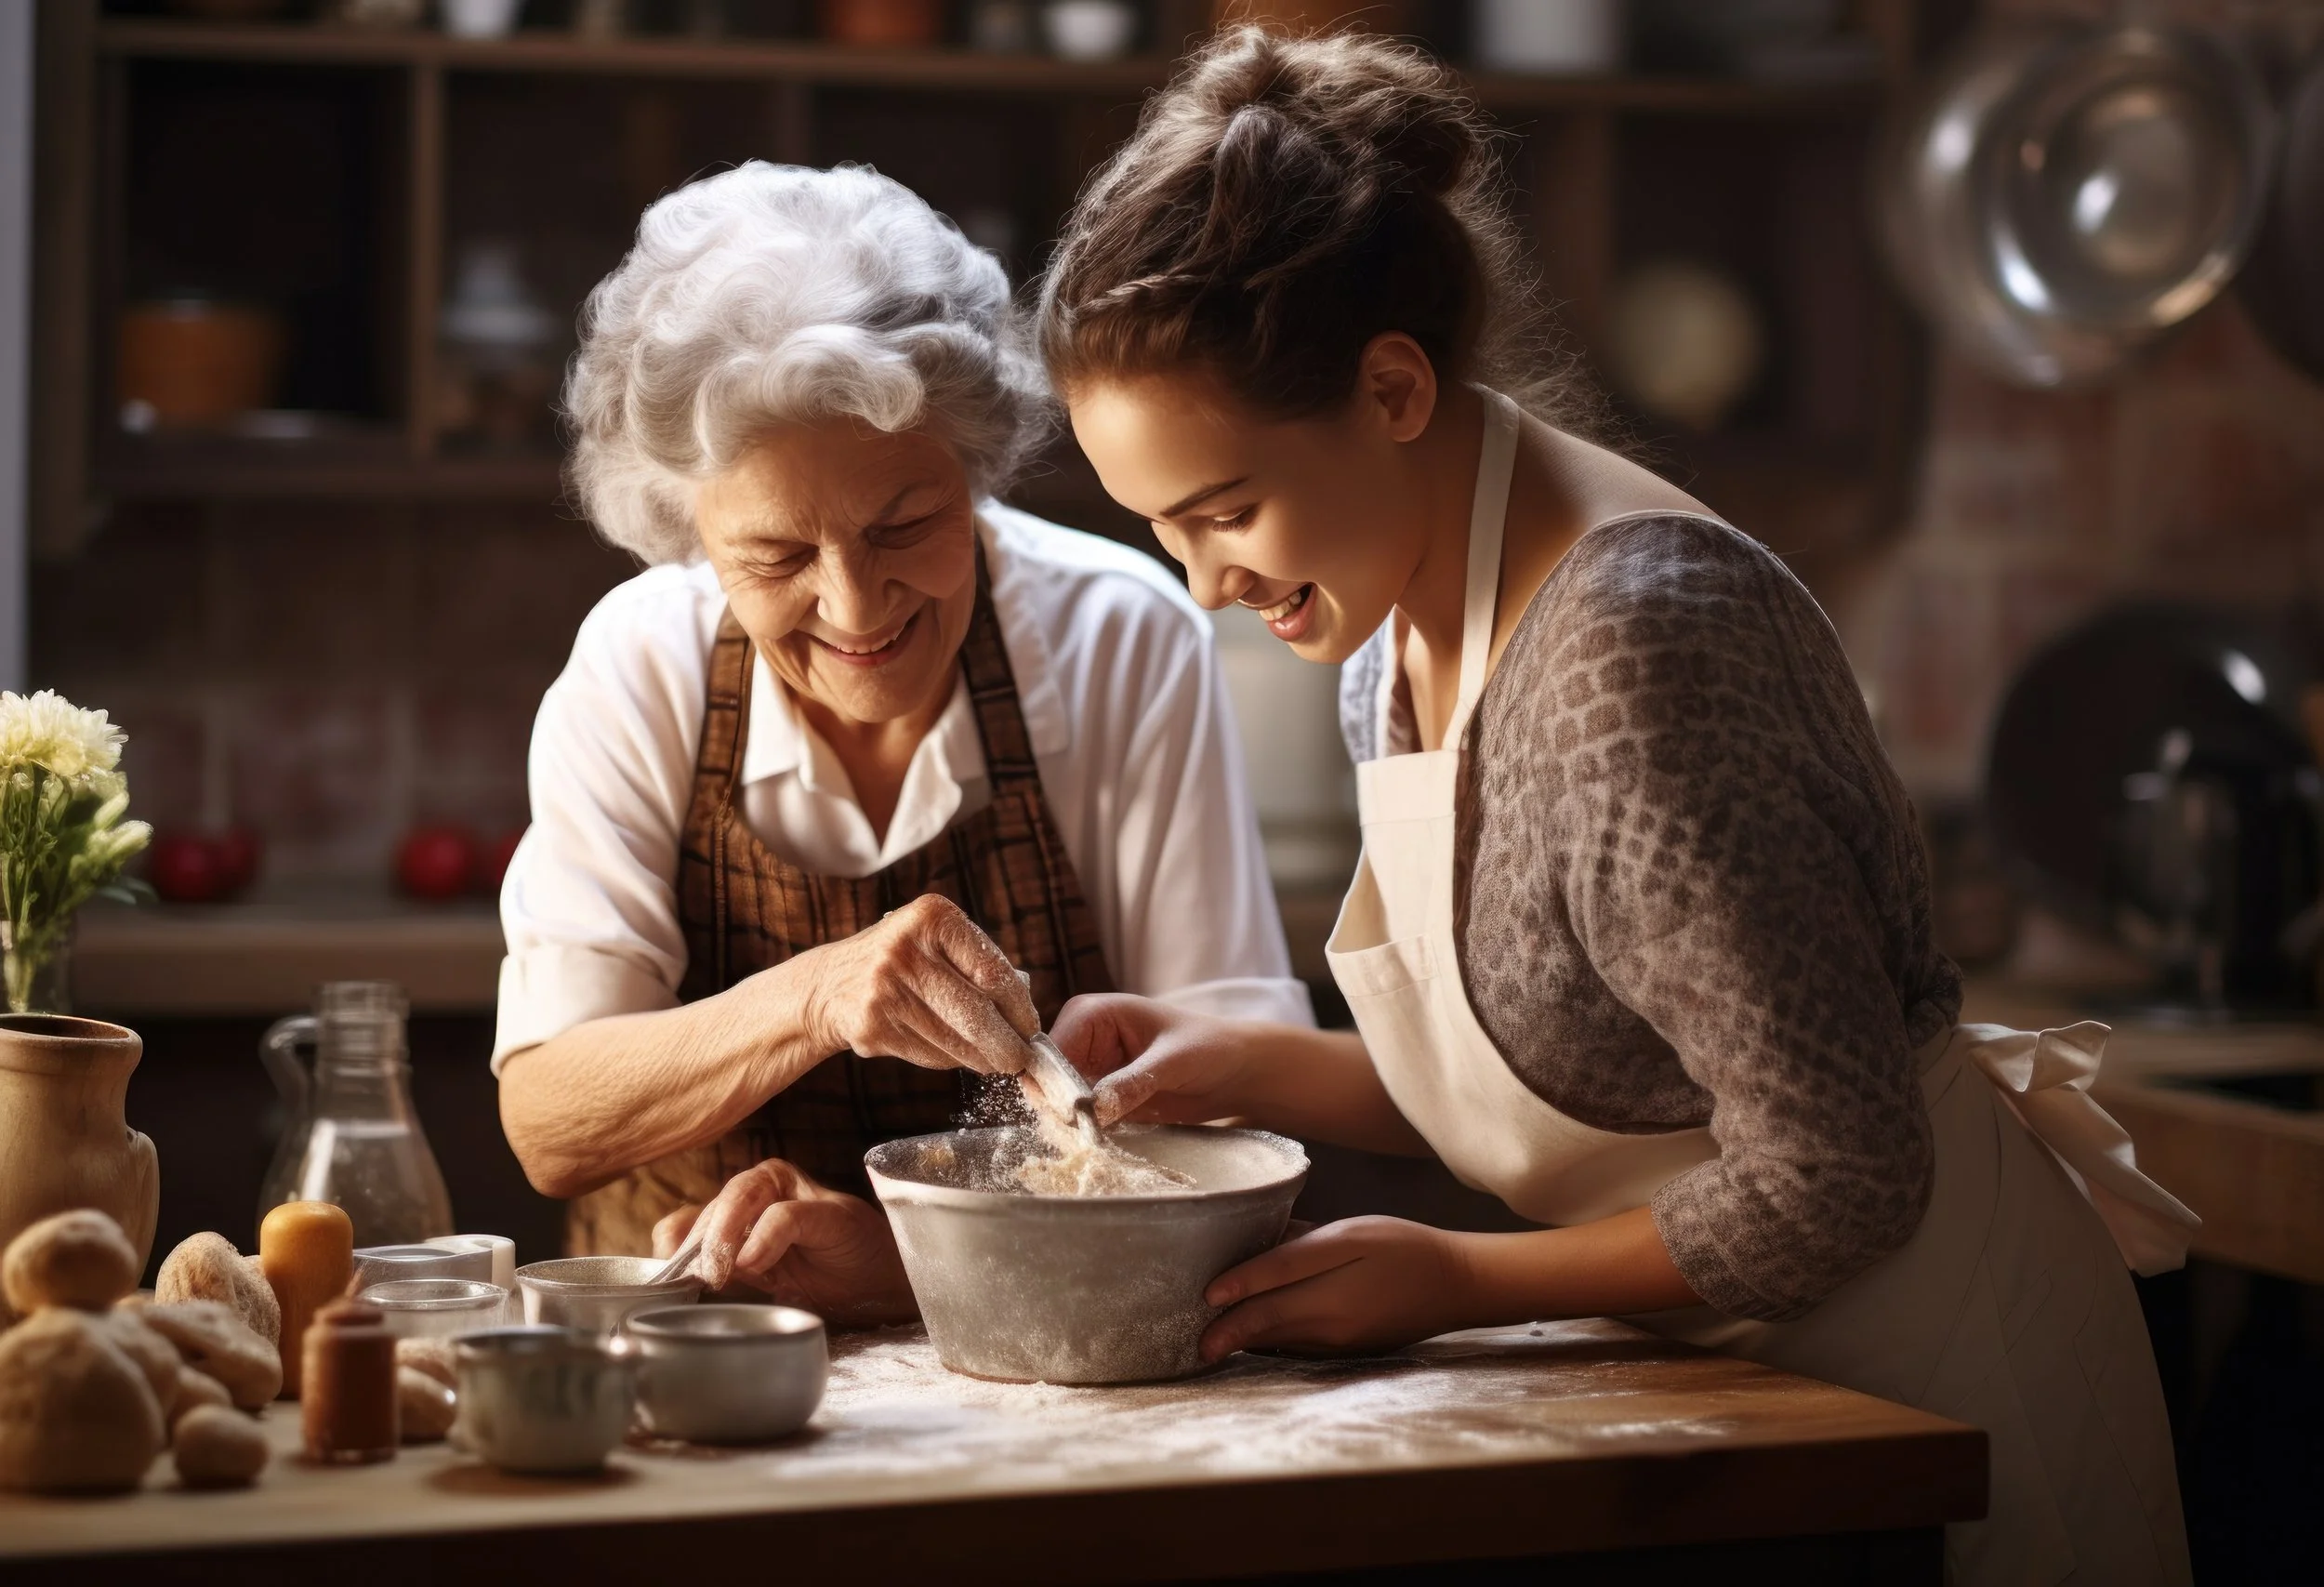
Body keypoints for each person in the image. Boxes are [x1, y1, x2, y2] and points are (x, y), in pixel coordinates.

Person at [1037, 28, 2196, 1585]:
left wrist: (1454, 1277)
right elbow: (1595, 1072)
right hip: (1744, 1390)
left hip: (1932, 1384)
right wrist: (1250, 1067)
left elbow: (1839, 1172)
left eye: (1226, 512)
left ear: (1391, 387)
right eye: (1163, 530)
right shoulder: (1392, 611)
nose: (1210, 586)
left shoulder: (1631, 656)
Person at [493, 162, 1310, 1322]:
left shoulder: (1118, 640)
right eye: (776, 557)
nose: (857, 606)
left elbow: (1246, 1137)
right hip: (690, 1345)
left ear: (974, 465)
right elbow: (552, 1126)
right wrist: (818, 996)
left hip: (1059, 1355)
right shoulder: (641, 662)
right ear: (690, 533)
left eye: (907, 525)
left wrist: (907, 1264)